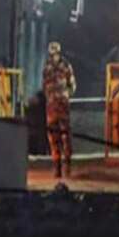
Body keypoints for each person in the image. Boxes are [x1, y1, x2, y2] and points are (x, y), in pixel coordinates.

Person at [42, 40, 76, 179]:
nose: (53, 55)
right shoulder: (49, 67)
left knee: (63, 134)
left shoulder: (64, 66)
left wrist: (65, 96)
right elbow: (45, 85)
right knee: (54, 135)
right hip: (53, 105)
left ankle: (66, 164)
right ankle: (58, 166)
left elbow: (72, 84)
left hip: (60, 104)